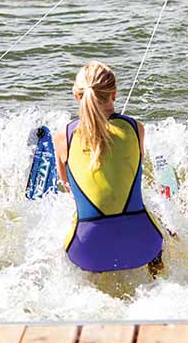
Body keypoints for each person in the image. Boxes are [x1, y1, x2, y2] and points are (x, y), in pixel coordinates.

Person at [53, 62, 165, 274]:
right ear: (113, 94)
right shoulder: (135, 128)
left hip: (86, 253)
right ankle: (157, 267)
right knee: (161, 221)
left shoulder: (63, 137)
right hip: (144, 246)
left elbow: (67, 185)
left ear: (78, 96)